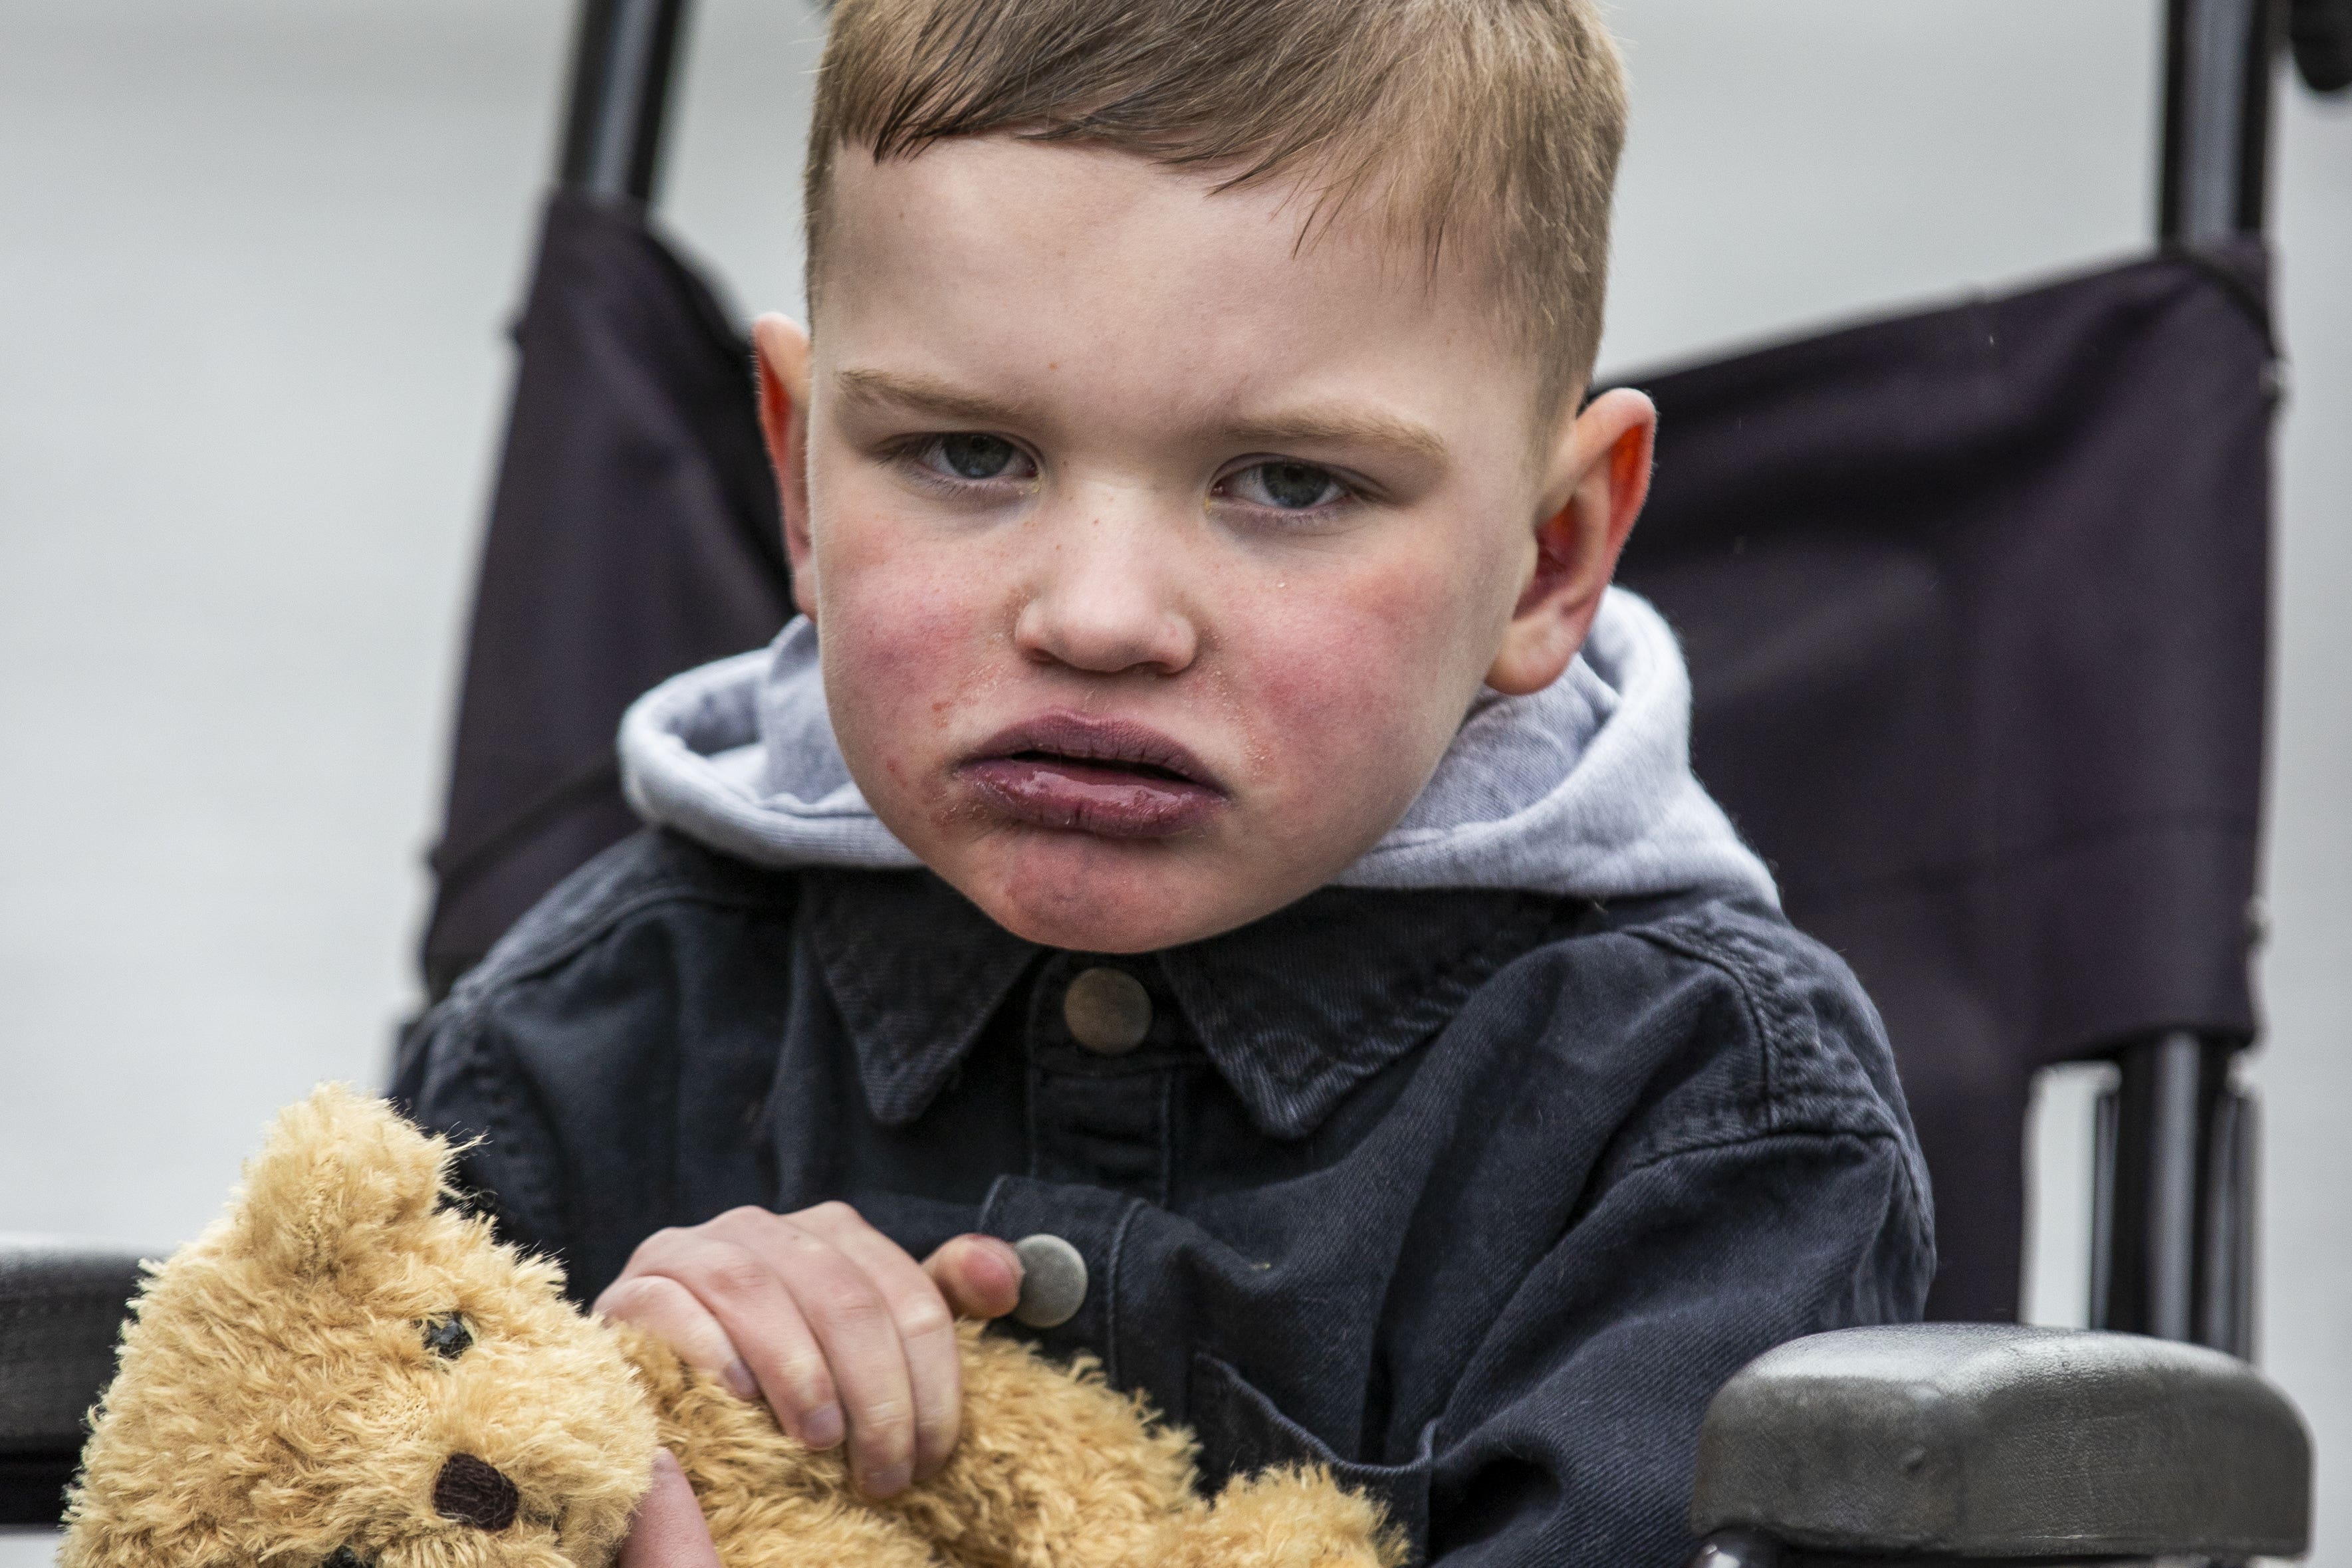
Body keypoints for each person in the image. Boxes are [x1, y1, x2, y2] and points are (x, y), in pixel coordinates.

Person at [394, 0, 1933, 1561]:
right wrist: (554, 1455)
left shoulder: (1698, 1119)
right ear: (797, 476)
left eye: (1287, 482)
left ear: (1550, 560)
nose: (1099, 617)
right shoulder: (580, 1041)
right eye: (967, 454)